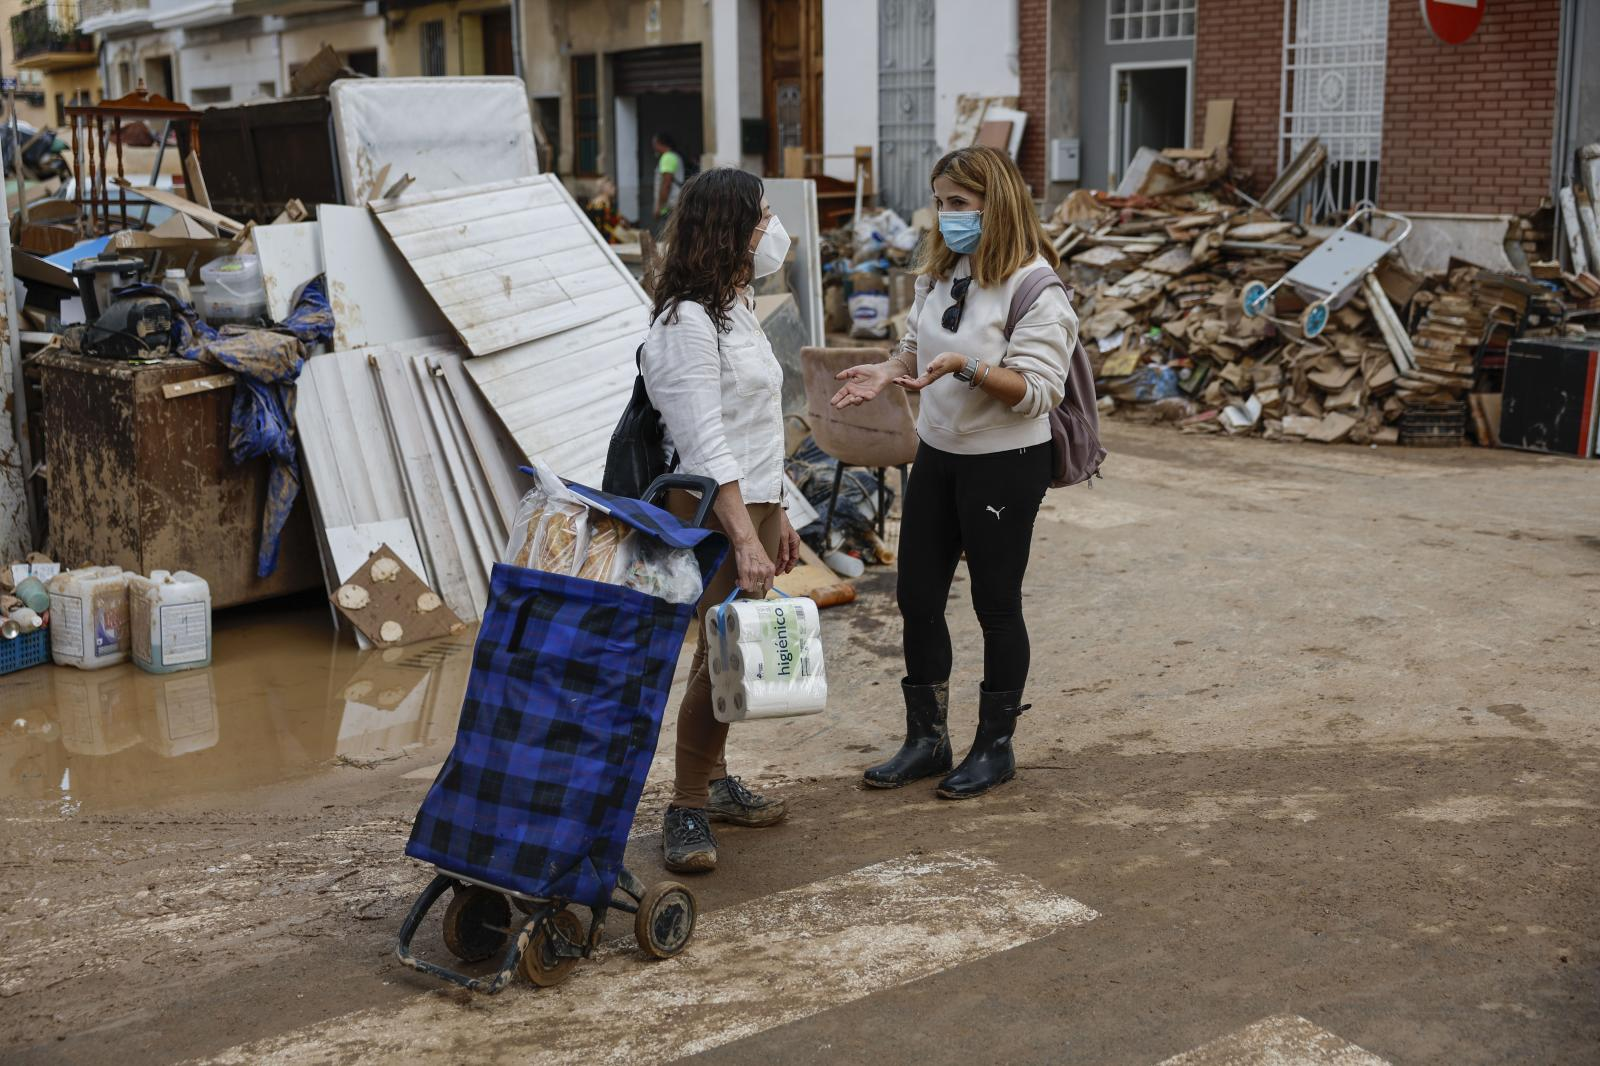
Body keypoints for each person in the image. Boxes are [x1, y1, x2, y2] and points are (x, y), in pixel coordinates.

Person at [830, 145, 1078, 800]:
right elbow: (920, 343)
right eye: (940, 203)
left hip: (1005, 461)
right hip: (938, 452)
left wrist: (967, 369)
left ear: (997, 204)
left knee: (996, 605)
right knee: (916, 597)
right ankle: (927, 739)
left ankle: (995, 747)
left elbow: (1037, 392)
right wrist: (888, 369)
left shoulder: (1034, 286)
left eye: (959, 205)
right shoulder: (945, 270)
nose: (946, 217)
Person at [642, 167, 803, 872]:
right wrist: (742, 534)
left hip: (757, 499)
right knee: (715, 658)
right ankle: (684, 806)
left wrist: (783, 512)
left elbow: (757, 423)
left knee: (730, 653)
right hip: (714, 510)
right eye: (763, 219)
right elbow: (704, 442)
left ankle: (713, 780)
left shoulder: (735, 308)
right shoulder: (685, 322)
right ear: (729, 229)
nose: (773, 232)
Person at [653, 132, 686, 230]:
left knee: (666, 237)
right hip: (675, 204)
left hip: (668, 207)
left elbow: (666, 184)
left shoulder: (667, 158)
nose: (654, 147)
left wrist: (659, 206)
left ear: (660, 143)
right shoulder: (675, 156)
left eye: (654, 144)